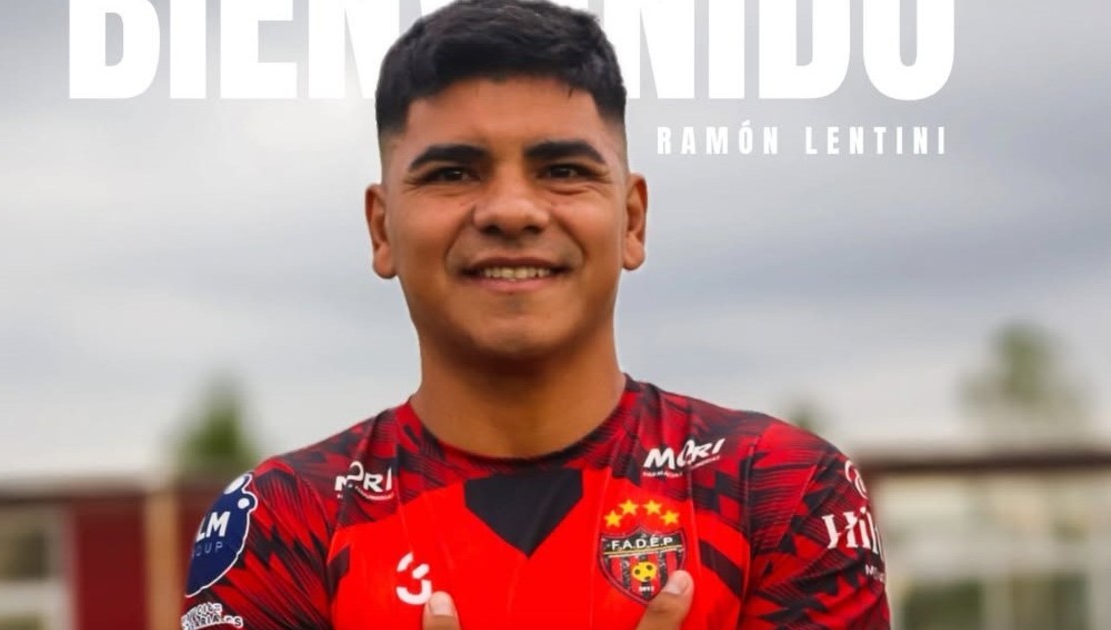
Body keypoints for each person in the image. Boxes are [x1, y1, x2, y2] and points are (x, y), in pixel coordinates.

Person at [181, 1, 890, 628]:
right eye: (453, 173)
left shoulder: (781, 491)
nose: (512, 211)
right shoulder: (282, 523)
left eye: (563, 171)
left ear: (632, 220)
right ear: (381, 229)